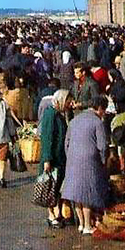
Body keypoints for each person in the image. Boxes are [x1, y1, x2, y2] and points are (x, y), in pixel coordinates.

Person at [62, 94, 111, 234]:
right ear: (100, 108)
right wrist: (103, 162)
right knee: (88, 193)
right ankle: (88, 226)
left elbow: (67, 142)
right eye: (104, 110)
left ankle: (81, 224)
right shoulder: (98, 123)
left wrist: (70, 157)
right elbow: (102, 146)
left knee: (76, 193)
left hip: (73, 158)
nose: (104, 113)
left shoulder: (74, 120)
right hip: (89, 159)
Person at [41, 89, 71, 228]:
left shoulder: (58, 114)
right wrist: (47, 159)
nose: (69, 104)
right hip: (52, 158)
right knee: (50, 187)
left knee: (57, 187)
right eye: (67, 101)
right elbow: (47, 137)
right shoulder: (50, 114)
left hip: (59, 158)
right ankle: (51, 215)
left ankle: (57, 213)